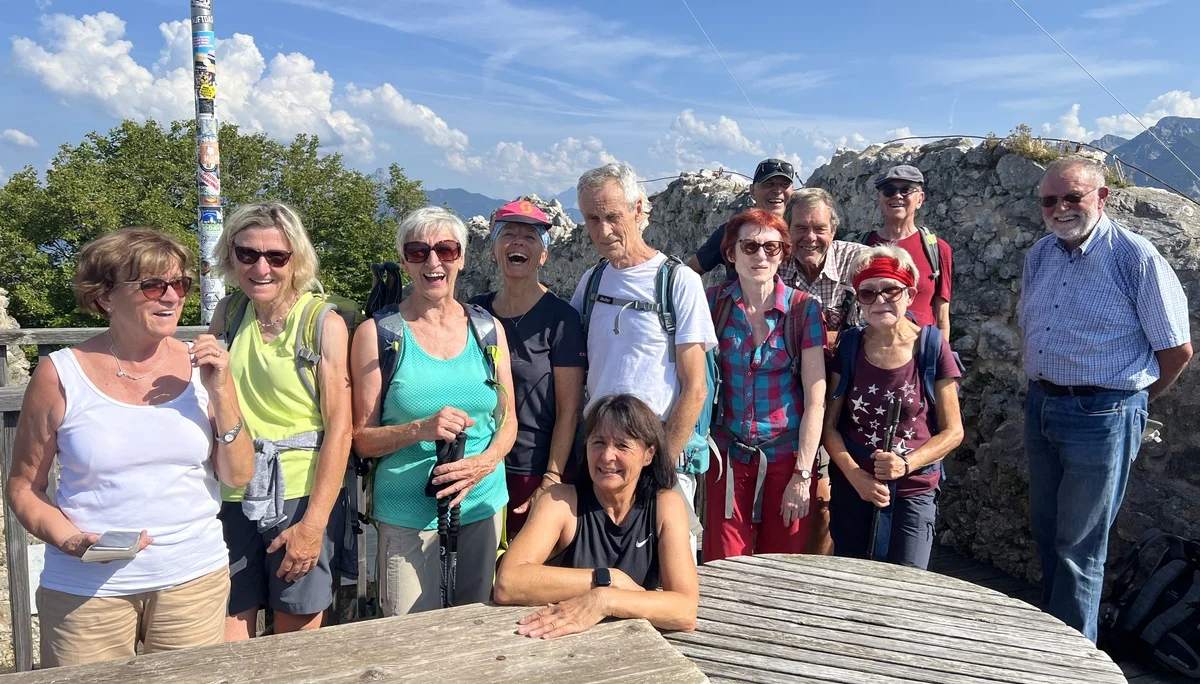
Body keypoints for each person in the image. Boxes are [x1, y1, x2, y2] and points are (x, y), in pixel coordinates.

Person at [6, 228, 254, 668]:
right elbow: (25, 488)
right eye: (154, 285)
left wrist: (222, 393)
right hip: (87, 590)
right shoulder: (60, 374)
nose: (172, 297)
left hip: (192, 578)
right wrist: (70, 540)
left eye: (180, 284)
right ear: (105, 298)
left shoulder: (205, 366)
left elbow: (238, 475)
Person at [1021, 155, 1191, 642]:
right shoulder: (1041, 255)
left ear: (1102, 197)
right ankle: (1052, 640)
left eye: (1072, 196)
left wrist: (1130, 405)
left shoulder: (1134, 257)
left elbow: (1176, 352)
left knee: (1080, 546)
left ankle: (1074, 661)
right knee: (1047, 529)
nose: (1060, 208)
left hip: (1104, 415)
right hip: (1043, 404)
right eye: (1049, 200)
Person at [351, 206, 517, 616]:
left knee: (475, 631)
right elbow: (360, 439)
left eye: (445, 249)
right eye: (418, 251)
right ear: (404, 259)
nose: (433, 262)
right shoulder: (378, 335)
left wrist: (484, 464)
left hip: (480, 507)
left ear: (461, 257)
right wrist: (420, 429)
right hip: (407, 516)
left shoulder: (488, 330)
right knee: (410, 643)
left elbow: (508, 419)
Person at [209, 202, 353, 639]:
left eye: (277, 257)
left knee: (296, 639)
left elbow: (340, 430)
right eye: (248, 254)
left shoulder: (320, 322)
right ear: (230, 256)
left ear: (297, 260)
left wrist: (312, 527)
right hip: (232, 492)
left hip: (300, 494)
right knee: (230, 630)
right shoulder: (230, 314)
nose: (261, 268)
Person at [570, 162, 718, 556]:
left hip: (659, 460)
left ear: (638, 209)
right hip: (604, 458)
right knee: (601, 566)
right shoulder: (592, 282)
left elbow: (696, 387)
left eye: (613, 217)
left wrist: (661, 468)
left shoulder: (678, 282)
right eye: (592, 219)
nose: (603, 231)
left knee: (667, 571)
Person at [493, 393, 699, 638]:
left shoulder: (665, 505)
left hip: (637, 645)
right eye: (598, 442)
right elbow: (508, 582)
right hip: (552, 640)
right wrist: (608, 579)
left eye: (622, 445)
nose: (607, 456)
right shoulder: (560, 501)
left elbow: (685, 611)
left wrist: (605, 599)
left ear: (649, 454)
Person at [822, 247, 963, 569]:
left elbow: (953, 430)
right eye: (868, 293)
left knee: (908, 584)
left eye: (891, 290)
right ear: (858, 299)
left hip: (913, 489)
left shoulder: (930, 346)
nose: (879, 300)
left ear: (910, 294)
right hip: (853, 487)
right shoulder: (850, 345)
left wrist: (906, 464)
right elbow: (829, 426)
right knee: (851, 578)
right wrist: (856, 475)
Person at [703, 209, 826, 562]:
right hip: (729, 456)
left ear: (783, 254)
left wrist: (803, 475)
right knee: (722, 565)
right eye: (750, 246)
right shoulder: (713, 304)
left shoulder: (804, 311)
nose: (760, 256)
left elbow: (815, 399)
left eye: (771, 248)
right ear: (731, 253)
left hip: (787, 457)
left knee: (783, 564)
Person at [468, 199, 586, 543]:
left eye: (530, 237)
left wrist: (551, 479)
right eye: (509, 234)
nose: (518, 242)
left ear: (544, 255)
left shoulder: (562, 320)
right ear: (494, 249)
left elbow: (570, 411)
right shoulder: (476, 312)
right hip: (481, 465)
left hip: (533, 469)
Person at [778, 188, 868, 555]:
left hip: (845, 393)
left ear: (834, 229)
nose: (809, 237)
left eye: (819, 228)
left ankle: (821, 566)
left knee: (828, 493)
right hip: (787, 393)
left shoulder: (856, 262)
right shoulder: (775, 260)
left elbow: (868, 333)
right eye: (800, 228)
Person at [858, 165, 953, 338]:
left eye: (906, 190)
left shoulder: (938, 249)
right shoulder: (863, 247)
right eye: (888, 190)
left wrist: (940, 356)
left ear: (920, 199)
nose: (897, 195)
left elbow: (942, 316)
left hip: (920, 354)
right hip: (871, 352)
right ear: (879, 198)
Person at [688, 158, 796, 279]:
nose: (777, 190)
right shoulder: (732, 231)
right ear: (753, 191)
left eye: (784, 184)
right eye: (768, 184)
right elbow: (689, 272)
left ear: (792, 190)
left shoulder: (802, 232)